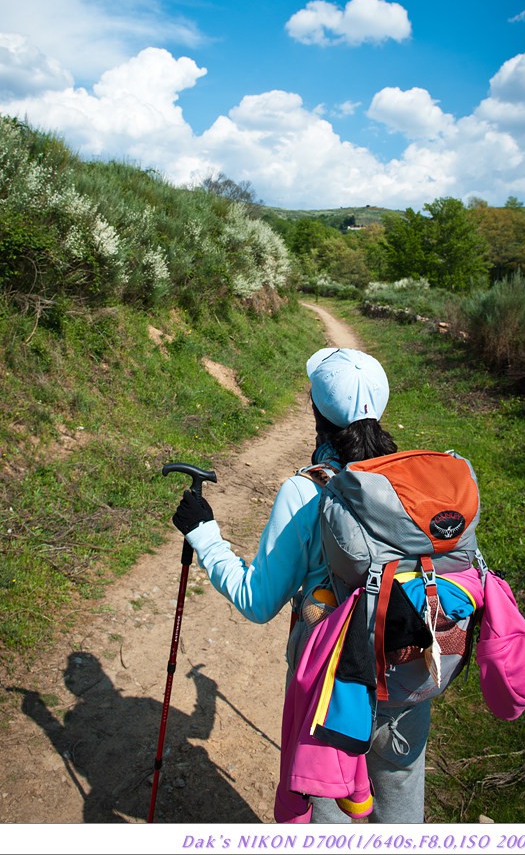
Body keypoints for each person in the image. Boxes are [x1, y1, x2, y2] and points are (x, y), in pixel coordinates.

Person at [172, 346, 432, 824]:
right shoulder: (413, 481)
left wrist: (205, 536)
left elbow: (257, 601)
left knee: (329, 821)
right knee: (400, 816)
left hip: (332, 692)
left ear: (315, 409)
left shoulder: (307, 489)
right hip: (407, 676)